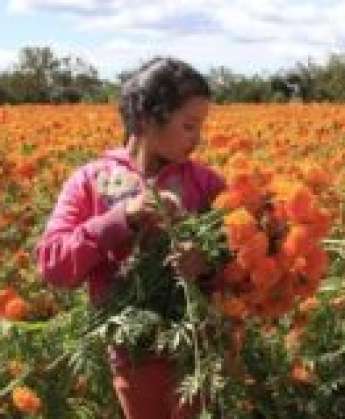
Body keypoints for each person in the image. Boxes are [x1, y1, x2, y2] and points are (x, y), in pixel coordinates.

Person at [36, 57, 225, 419]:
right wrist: (122, 218)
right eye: (188, 126)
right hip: (134, 356)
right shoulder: (90, 181)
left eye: (200, 126)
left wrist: (206, 263)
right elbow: (53, 264)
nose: (197, 139)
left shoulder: (207, 184)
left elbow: (242, 261)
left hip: (200, 350)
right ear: (145, 119)